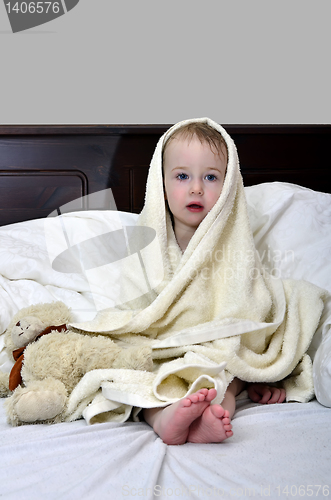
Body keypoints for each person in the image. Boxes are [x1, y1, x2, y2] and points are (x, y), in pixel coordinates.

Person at [142, 121, 285, 445]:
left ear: (229, 184)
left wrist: (254, 369)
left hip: (217, 350)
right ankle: (163, 419)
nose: (196, 188)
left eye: (210, 177)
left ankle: (210, 416)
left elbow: (250, 301)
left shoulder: (234, 243)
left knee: (223, 379)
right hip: (166, 348)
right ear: (160, 184)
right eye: (182, 176)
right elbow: (134, 304)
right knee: (142, 378)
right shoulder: (147, 242)